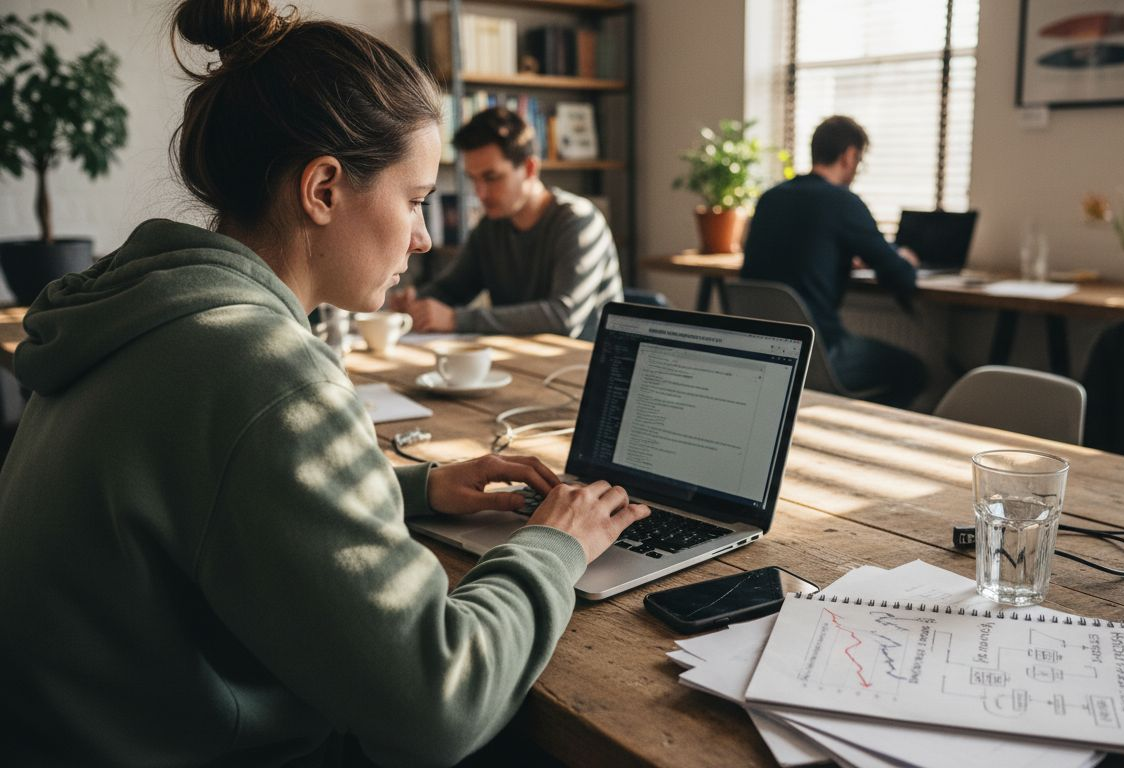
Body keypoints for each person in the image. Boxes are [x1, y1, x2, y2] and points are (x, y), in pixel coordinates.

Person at [0, 2, 648, 765]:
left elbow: (206, 492)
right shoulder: (261, 372)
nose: (425, 235)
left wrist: (416, 488)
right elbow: (440, 705)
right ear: (323, 189)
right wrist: (553, 545)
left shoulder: (145, 315)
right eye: (413, 200)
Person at [389, 107, 623, 337]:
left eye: (492, 178)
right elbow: (452, 289)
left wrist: (454, 319)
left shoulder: (578, 221)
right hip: (523, 363)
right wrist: (415, 303)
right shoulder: (491, 227)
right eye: (474, 179)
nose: (480, 193)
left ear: (530, 168)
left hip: (581, 366)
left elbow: (564, 316)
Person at [741, 115, 926, 407]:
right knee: (913, 371)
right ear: (849, 156)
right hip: (820, 352)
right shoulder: (843, 203)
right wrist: (905, 257)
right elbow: (901, 277)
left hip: (760, 349)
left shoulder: (769, 199)